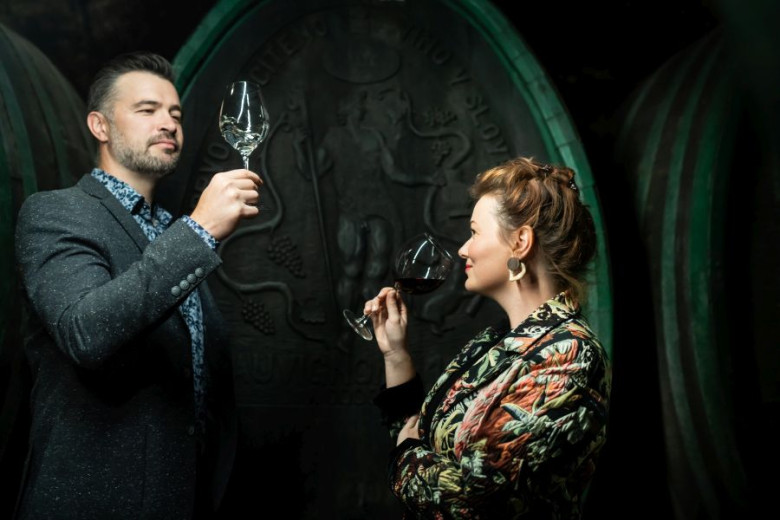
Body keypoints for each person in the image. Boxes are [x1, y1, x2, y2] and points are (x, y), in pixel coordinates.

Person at [13, 51, 261, 519]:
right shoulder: (57, 212)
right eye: (147, 110)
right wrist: (200, 230)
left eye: (176, 114)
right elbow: (86, 332)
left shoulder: (170, 230)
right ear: (100, 126)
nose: (168, 124)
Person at [365, 156, 611, 519]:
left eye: (475, 232)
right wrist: (395, 354)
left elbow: (472, 504)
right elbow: (417, 435)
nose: (463, 249)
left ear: (520, 242)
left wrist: (405, 457)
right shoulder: (494, 342)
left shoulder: (568, 356)